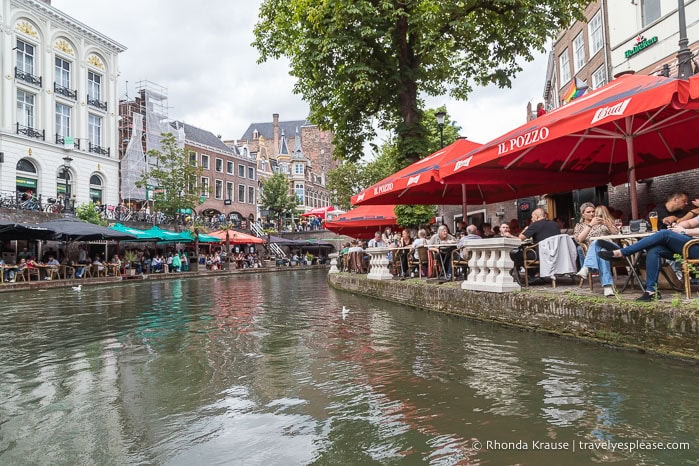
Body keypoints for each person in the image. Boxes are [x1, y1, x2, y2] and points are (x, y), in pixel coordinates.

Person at [598, 217, 699, 301]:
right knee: (654, 249)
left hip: (695, 247)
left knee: (664, 234)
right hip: (689, 246)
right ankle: (651, 291)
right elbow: (690, 222)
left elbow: (688, 229)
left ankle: (623, 252)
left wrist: (684, 231)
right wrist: (678, 226)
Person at [574, 203, 618, 297]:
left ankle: (586, 267)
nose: (592, 214)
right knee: (601, 252)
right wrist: (590, 225)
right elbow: (579, 239)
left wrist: (607, 224)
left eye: (593, 211)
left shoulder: (602, 222)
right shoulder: (579, 226)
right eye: (588, 212)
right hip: (598, 253)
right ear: (583, 214)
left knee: (597, 241)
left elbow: (616, 234)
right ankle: (607, 287)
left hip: (610, 248)